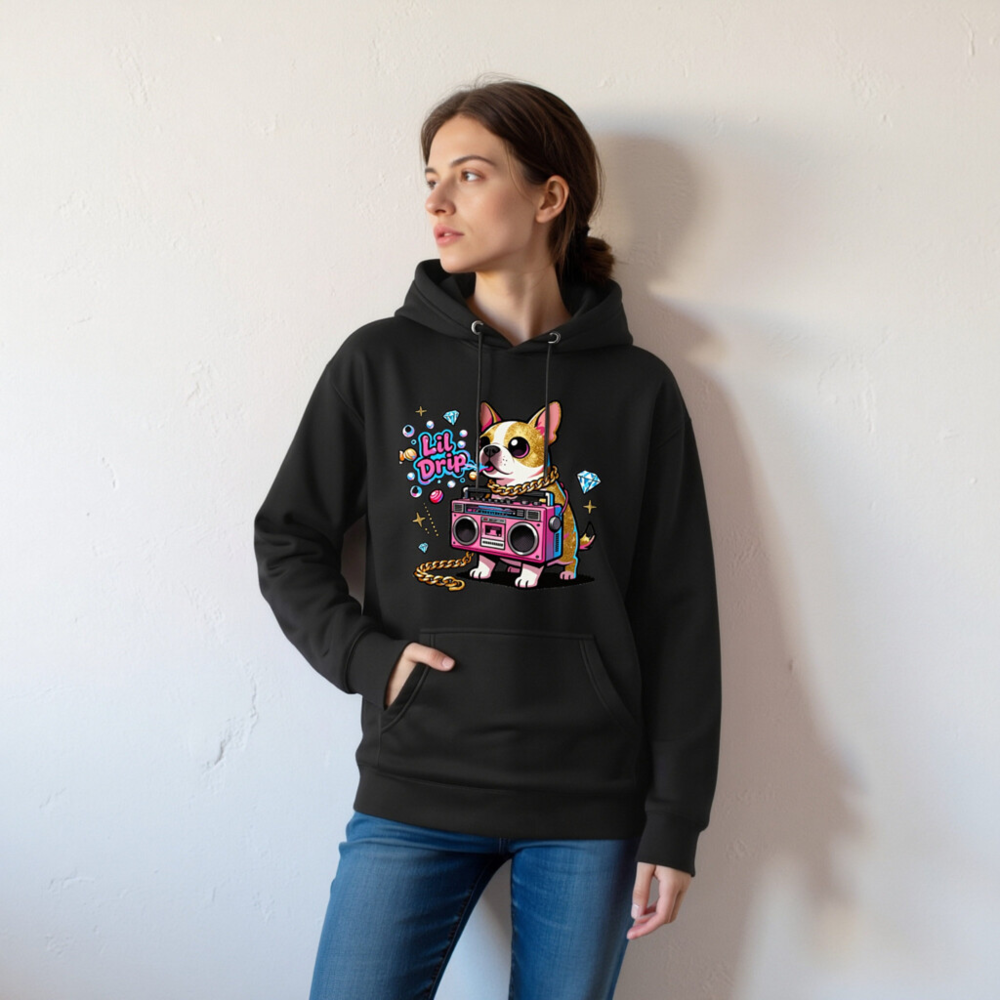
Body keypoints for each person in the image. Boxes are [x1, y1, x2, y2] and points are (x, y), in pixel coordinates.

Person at [254, 76, 722, 1000]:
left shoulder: (639, 390)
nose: (438, 201)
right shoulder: (378, 362)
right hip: (416, 783)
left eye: (469, 175)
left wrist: (676, 822)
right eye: (431, 179)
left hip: (589, 805)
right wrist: (368, 659)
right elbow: (287, 538)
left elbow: (680, 613)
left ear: (550, 197)